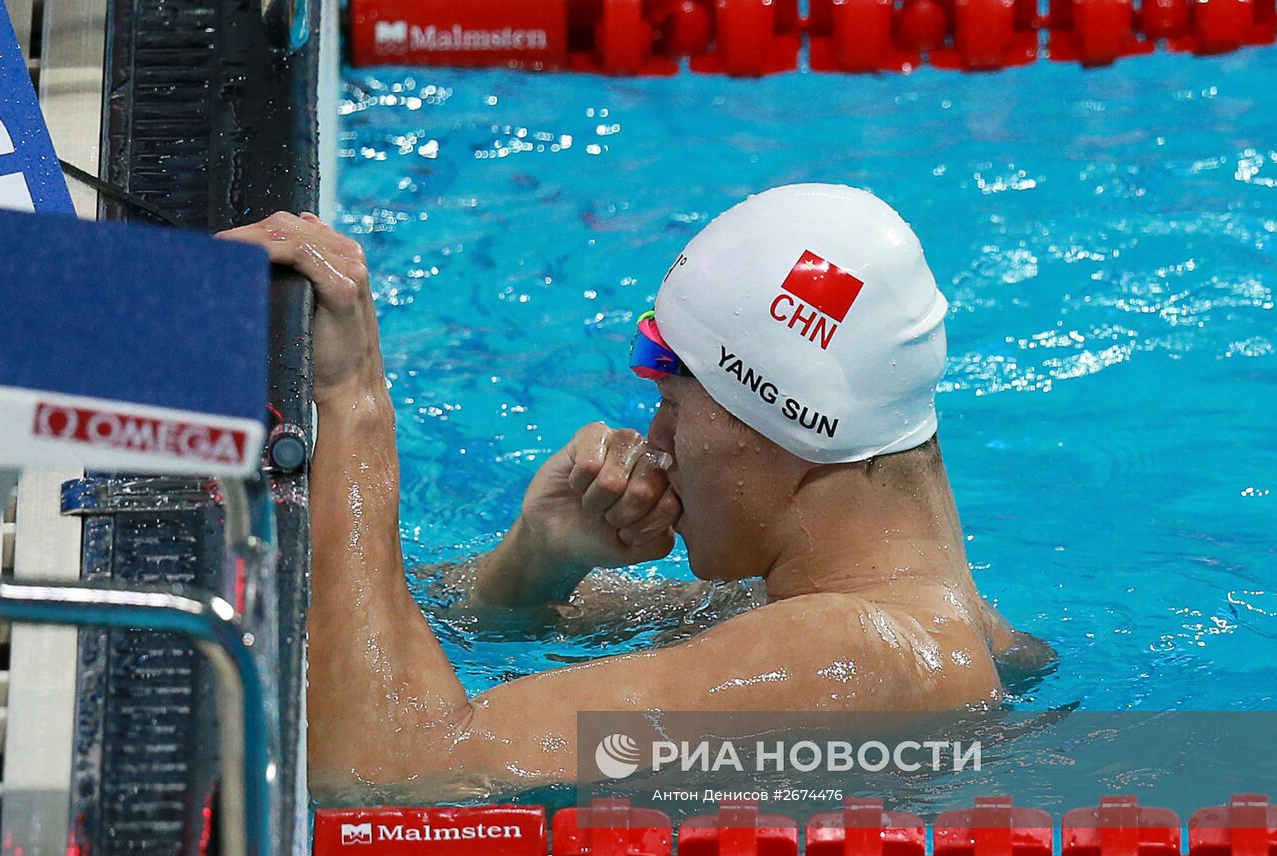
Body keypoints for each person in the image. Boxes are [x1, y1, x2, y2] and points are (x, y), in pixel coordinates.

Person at [219, 184, 1051, 799]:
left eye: (671, 403)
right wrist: (537, 562)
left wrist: (354, 397)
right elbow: (433, 615)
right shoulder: (958, 633)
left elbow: (376, 770)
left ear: (769, 424)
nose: (653, 441)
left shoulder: (850, 653)